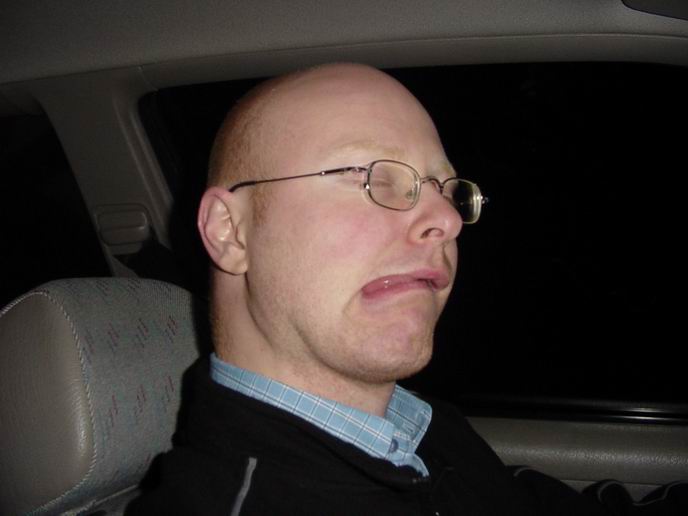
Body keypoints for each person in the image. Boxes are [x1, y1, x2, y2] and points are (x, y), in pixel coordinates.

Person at [127, 63, 686, 515]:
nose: (446, 217)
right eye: (367, 174)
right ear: (230, 232)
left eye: (445, 187)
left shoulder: (420, 429)